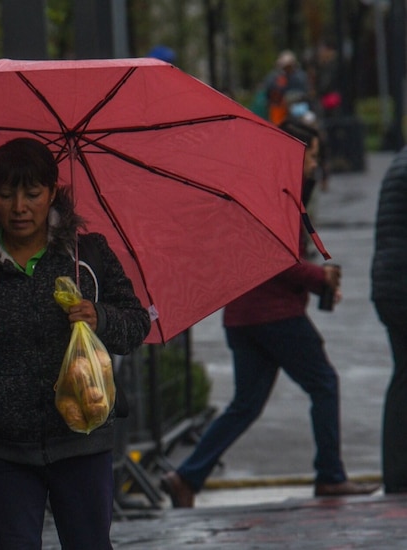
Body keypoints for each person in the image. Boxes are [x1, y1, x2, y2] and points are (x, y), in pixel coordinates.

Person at [0, 138, 150, 548]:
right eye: (6, 195)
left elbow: (135, 325)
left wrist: (101, 316)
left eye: (32, 193)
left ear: (52, 192)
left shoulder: (87, 256)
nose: (19, 207)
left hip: (82, 441)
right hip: (6, 449)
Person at [160, 122, 380, 508]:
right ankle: (330, 476)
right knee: (324, 383)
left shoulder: (270, 191)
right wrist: (319, 276)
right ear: (293, 154)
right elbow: (274, 261)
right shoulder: (274, 196)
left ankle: (186, 477)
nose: (315, 162)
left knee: (245, 404)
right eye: (311, 154)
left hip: (244, 316)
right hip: (271, 314)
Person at [371, 146, 407, 494]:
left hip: (389, 285)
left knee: (403, 378)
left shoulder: (399, 161)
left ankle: (397, 474)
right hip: (401, 285)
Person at [261, 50, 311, 126]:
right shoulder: (275, 77)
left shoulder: (300, 76)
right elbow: (269, 92)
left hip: (298, 108)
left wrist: (290, 98)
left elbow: (305, 93)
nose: (287, 69)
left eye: (288, 66)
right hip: (279, 110)